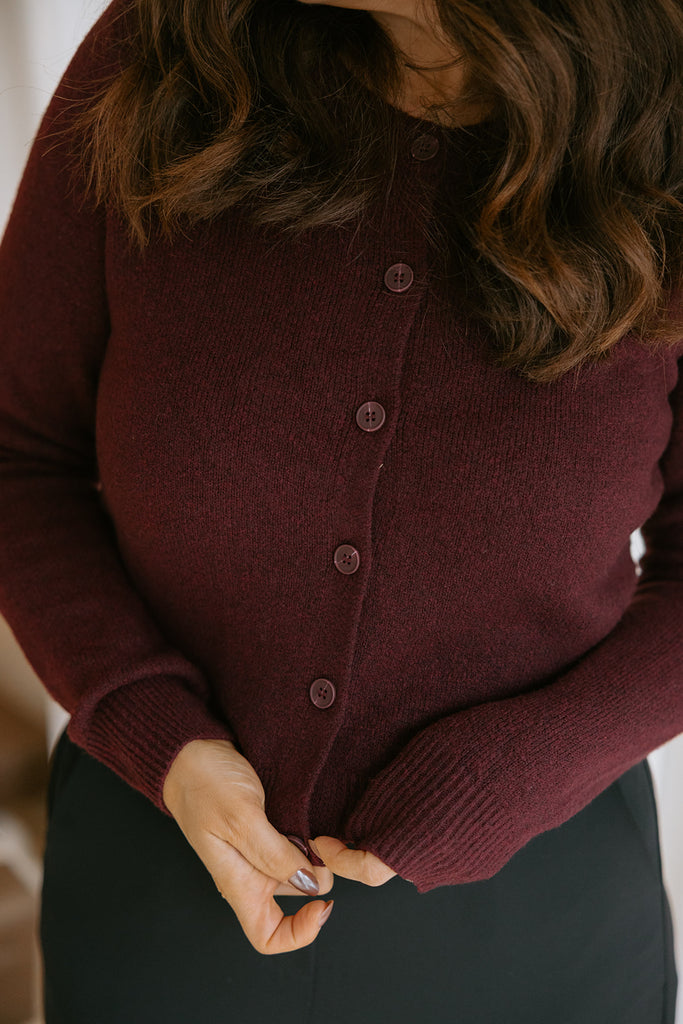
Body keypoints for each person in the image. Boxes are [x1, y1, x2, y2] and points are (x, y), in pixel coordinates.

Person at [0, 0, 681, 1019]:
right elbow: (17, 459)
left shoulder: (659, 115)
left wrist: (525, 763)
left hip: (543, 916)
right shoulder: (160, 53)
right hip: (156, 883)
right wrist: (157, 734)